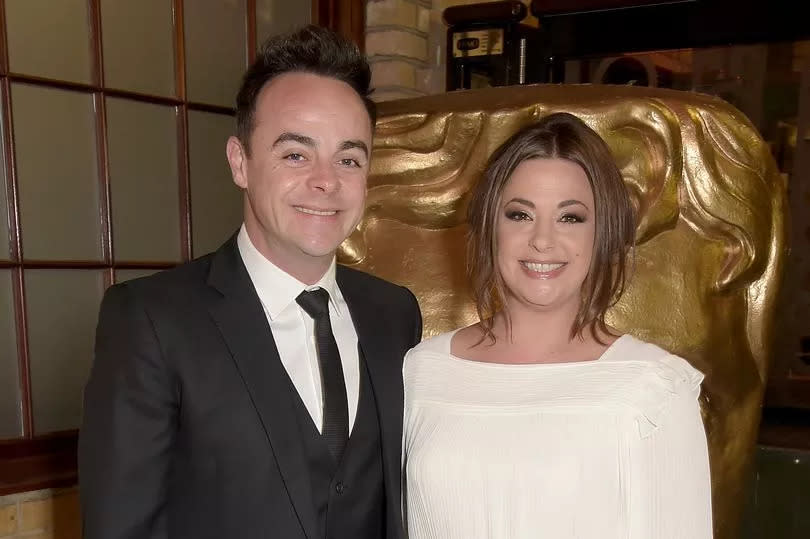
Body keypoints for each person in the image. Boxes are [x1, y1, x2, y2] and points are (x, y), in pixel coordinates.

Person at [79, 25, 422, 539]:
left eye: (349, 158)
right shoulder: (151, 320)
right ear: (240, 162)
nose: (327, 181)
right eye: (295, 154)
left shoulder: (395, 313)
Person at [403, 112, 712, 538]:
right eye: (519, 214)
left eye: (570, 217)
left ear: (602, 233)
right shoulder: (422, 372)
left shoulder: (654, 391)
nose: (543, 240)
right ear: (489, 227)